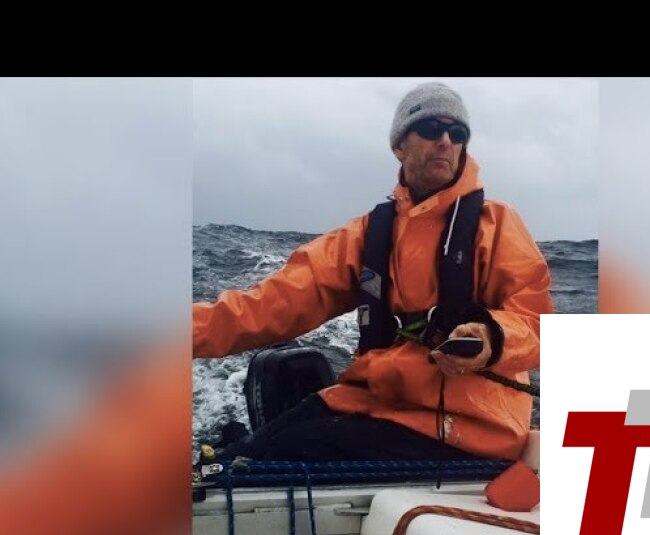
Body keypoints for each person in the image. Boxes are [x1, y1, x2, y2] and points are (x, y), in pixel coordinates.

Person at [193, 82, 554, 464]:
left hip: (468, 424)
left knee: (267, 462)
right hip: (377, 399)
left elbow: (537, 324)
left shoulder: (497, 224)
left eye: (458, 133)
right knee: (234, 459)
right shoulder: (369, 235)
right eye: (431, 128)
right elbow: (273, 304)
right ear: (399, 146)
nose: (446, 141)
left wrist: (491, 335)